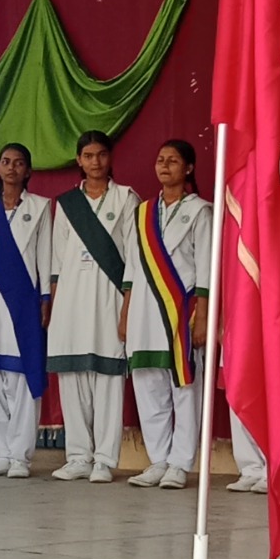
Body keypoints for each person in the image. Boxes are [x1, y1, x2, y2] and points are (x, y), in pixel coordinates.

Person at [46, 132, 138, 483]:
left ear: (109, 158)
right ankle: (78, 456)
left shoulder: (126, 199)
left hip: (110, 296)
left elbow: (132, 258)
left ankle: (104, 459)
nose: (95, 162)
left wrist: (128, 306)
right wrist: (55, 307)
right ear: (79, 160)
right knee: (72, 378)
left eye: (101, 155)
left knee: (108, 378)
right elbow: (57, 259)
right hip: (71, 297)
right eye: (88, 155)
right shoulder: (66, 203)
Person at [122, 139, 211, 491]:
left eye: (173, 160)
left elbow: (205, 267)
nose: (165, 165)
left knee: (183, 384)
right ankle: (158, 459)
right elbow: (131, 265)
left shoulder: (201, 211)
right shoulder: (143, 213)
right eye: (160, 160)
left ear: (188, 168)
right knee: (147, 382)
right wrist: (126, 310)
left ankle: (180, 463)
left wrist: (203, 315)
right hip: (144, 307)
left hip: (181, 307)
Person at [0, 143, 51, 479]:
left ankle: (20, 455)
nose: (11, 168)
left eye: (18, 163)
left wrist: (46, 298)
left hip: (22, 297)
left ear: (27, 170)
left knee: (22, 377)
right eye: (5, 162)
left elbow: (45, 256)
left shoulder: (40, 207)